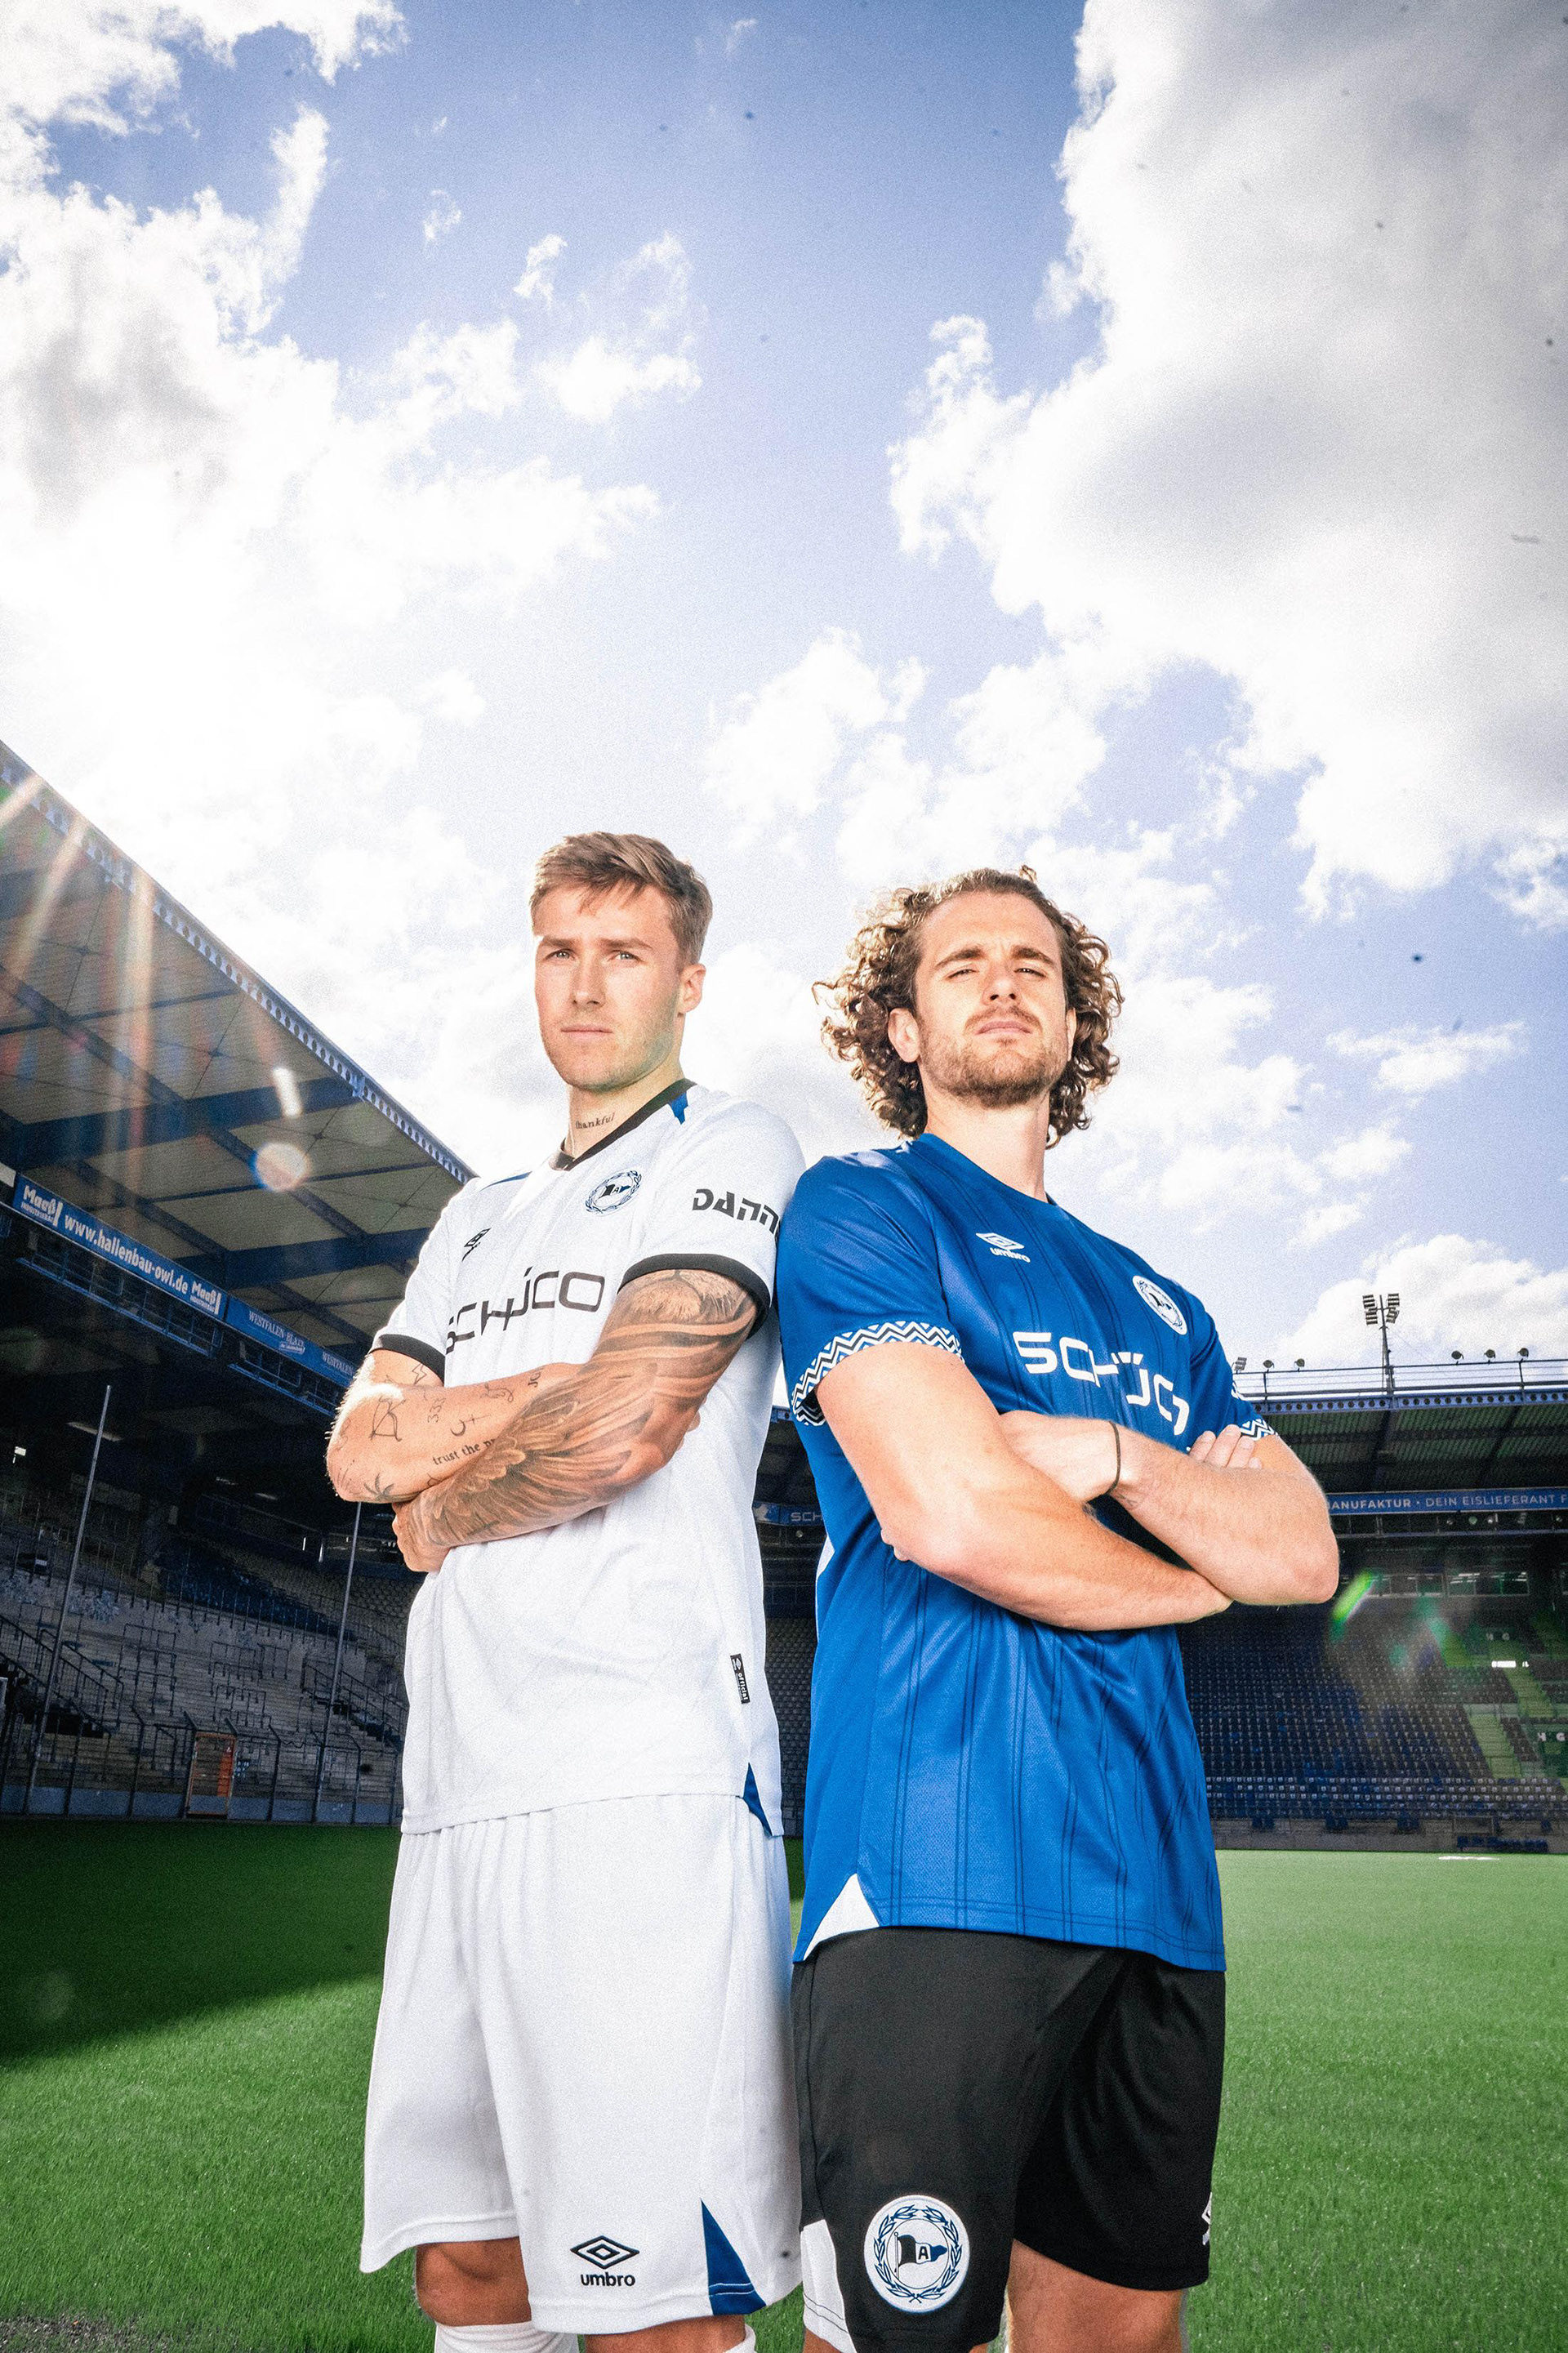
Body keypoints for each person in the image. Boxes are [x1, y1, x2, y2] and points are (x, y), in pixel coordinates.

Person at [775, 867, 1337, 2353]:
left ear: (1075, 1023)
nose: (1003, 980)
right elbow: (951, 1512)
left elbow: (1301, 1551)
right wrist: (1198, 1572)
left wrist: (1120, 1455)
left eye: (1034, 962)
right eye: (961, 962)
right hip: (935, 1861)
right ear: (903, 1026)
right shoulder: (863, 1206)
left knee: (1122, 2339)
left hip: (1157, 1890)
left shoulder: (1164, 1308)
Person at [327, 832, 804, 2353]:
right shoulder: (475, 1214)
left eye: (625, 953)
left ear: (689, 981)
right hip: (457, 1786)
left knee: (650, 2306)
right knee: (472, 2272)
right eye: (559, 951)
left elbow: (630, 1423)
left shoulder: (731, 1144)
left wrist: (448, 1491)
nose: (586, 984)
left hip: (639, 1779)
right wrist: (554, 1381)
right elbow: (354, 1448)